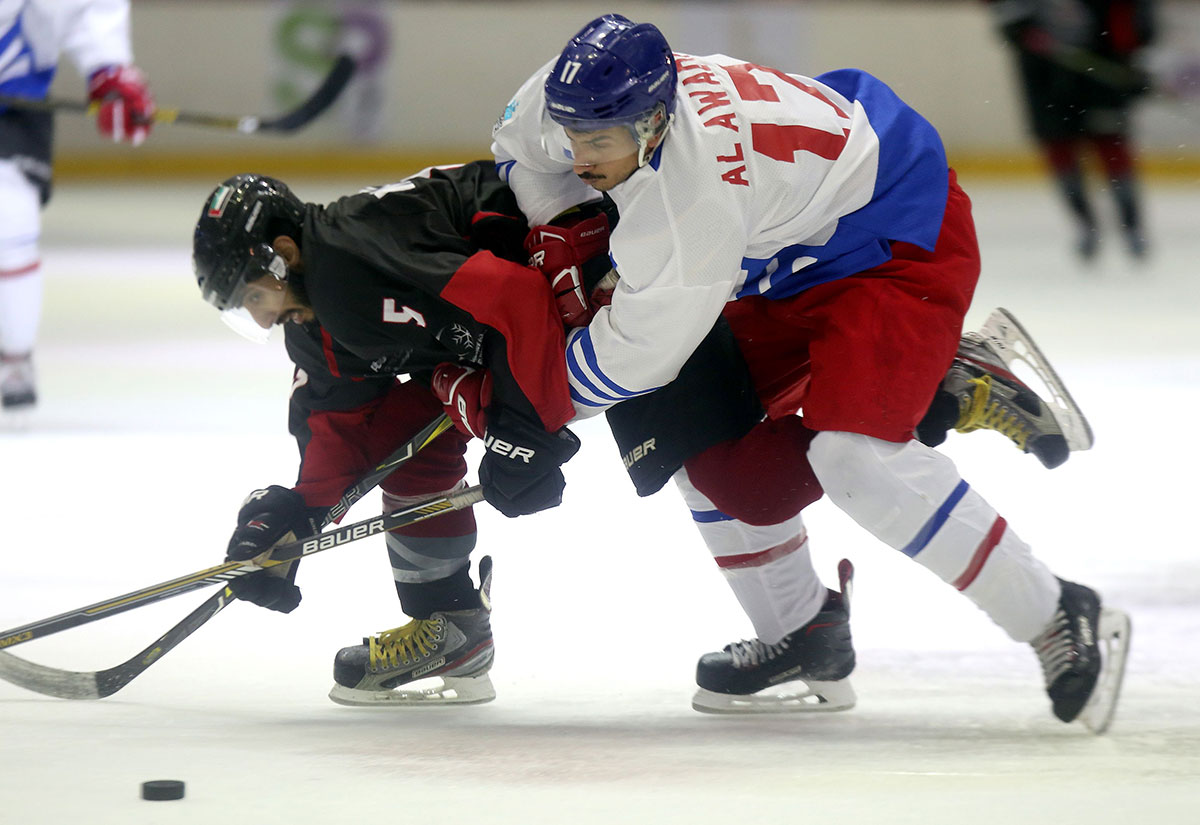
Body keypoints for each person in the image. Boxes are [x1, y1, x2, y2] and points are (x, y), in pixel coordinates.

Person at [489, 13, 1129, 729]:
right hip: (784, 240)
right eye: (573, 133)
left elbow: (638, 353)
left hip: (895, 233)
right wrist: (562, 226)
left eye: (598, 142)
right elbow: (519, 152)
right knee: (699, 444)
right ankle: (802, 630)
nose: (579, 155)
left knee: (855, 459)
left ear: (655, 118)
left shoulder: (694, 198)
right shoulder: (581, 96)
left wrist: (526, 417)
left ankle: (1052, 609)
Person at [0, 0, 155, 413]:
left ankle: (14, 357)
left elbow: (84, 8)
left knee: (10, 215)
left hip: (11, 107)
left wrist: (110, 70)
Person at [985, 0, 1158, 261]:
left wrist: (1133, 58)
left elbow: (1136, 20)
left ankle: (1131, 227)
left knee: (1111, 148)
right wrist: (1019, 28)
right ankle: (1086, 227)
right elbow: (1004, 13)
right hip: (1045, 80)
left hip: (1100, 75)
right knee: (1061, 152)